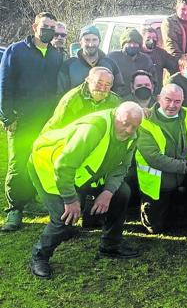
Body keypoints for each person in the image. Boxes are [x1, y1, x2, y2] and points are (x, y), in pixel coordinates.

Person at [28, 102, 143, 279]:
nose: (129, 130)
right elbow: (64, 166)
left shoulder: (134, 135)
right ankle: (39, 256)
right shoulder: (93, 130)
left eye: (134, 126)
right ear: (115, 116)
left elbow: (122, 166)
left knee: (122, 192)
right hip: (50, 169)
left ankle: (110, 245)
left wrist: (107, 193)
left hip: (83, 174)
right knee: (64, 216)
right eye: (125, 123)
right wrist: (70, 200)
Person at [0, 12, 64, 231]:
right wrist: (7, 115)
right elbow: (4, 84)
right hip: (22, 119)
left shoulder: (57, 54)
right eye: (45, 26)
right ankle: (15, 210)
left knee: (42, 160)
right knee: (18, 163)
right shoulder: (16, 51)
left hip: (47, 120)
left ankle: (36, 196)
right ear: (35, 26)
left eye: (52, 27)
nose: (48, 30)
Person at [135, 84, 187, 237]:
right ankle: (148, 209)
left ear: (183, 101)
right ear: (159, 98)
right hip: (159, 180)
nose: (172, 105)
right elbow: (155, 159)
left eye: (177, 101)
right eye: (168, 100)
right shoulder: (145, 121)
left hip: (185, 174)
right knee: (155, 228)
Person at [42, 67, 120, 133]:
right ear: (88, 80)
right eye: (99, 83)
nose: (102, 88)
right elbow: (55, 126)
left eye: (107, 85)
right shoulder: (72, 99)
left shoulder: (115, 102)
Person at [57, 25, 124, 94]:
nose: (91, 44)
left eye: (94, 40)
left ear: (99, 41)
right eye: (87, 40)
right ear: (80, 42)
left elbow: (119, 90)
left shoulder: (110, 64)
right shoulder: (69, 65)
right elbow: (61, 94)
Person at [108, 28, 157, 97]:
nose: (132, 45)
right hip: (117, 98)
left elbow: (153, 81)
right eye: (129, 43)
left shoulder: (146, 60)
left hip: (139, 98)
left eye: (135, 43)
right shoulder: (113, 57)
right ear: (123, 44)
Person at [141, 27, 178, 93]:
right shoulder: (137, 53)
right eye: (148, 38)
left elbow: (174, 66)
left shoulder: (161, 53)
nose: (151, 40)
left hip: (156, 92)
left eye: (154, 38)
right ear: (142, 39)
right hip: (140, 91)